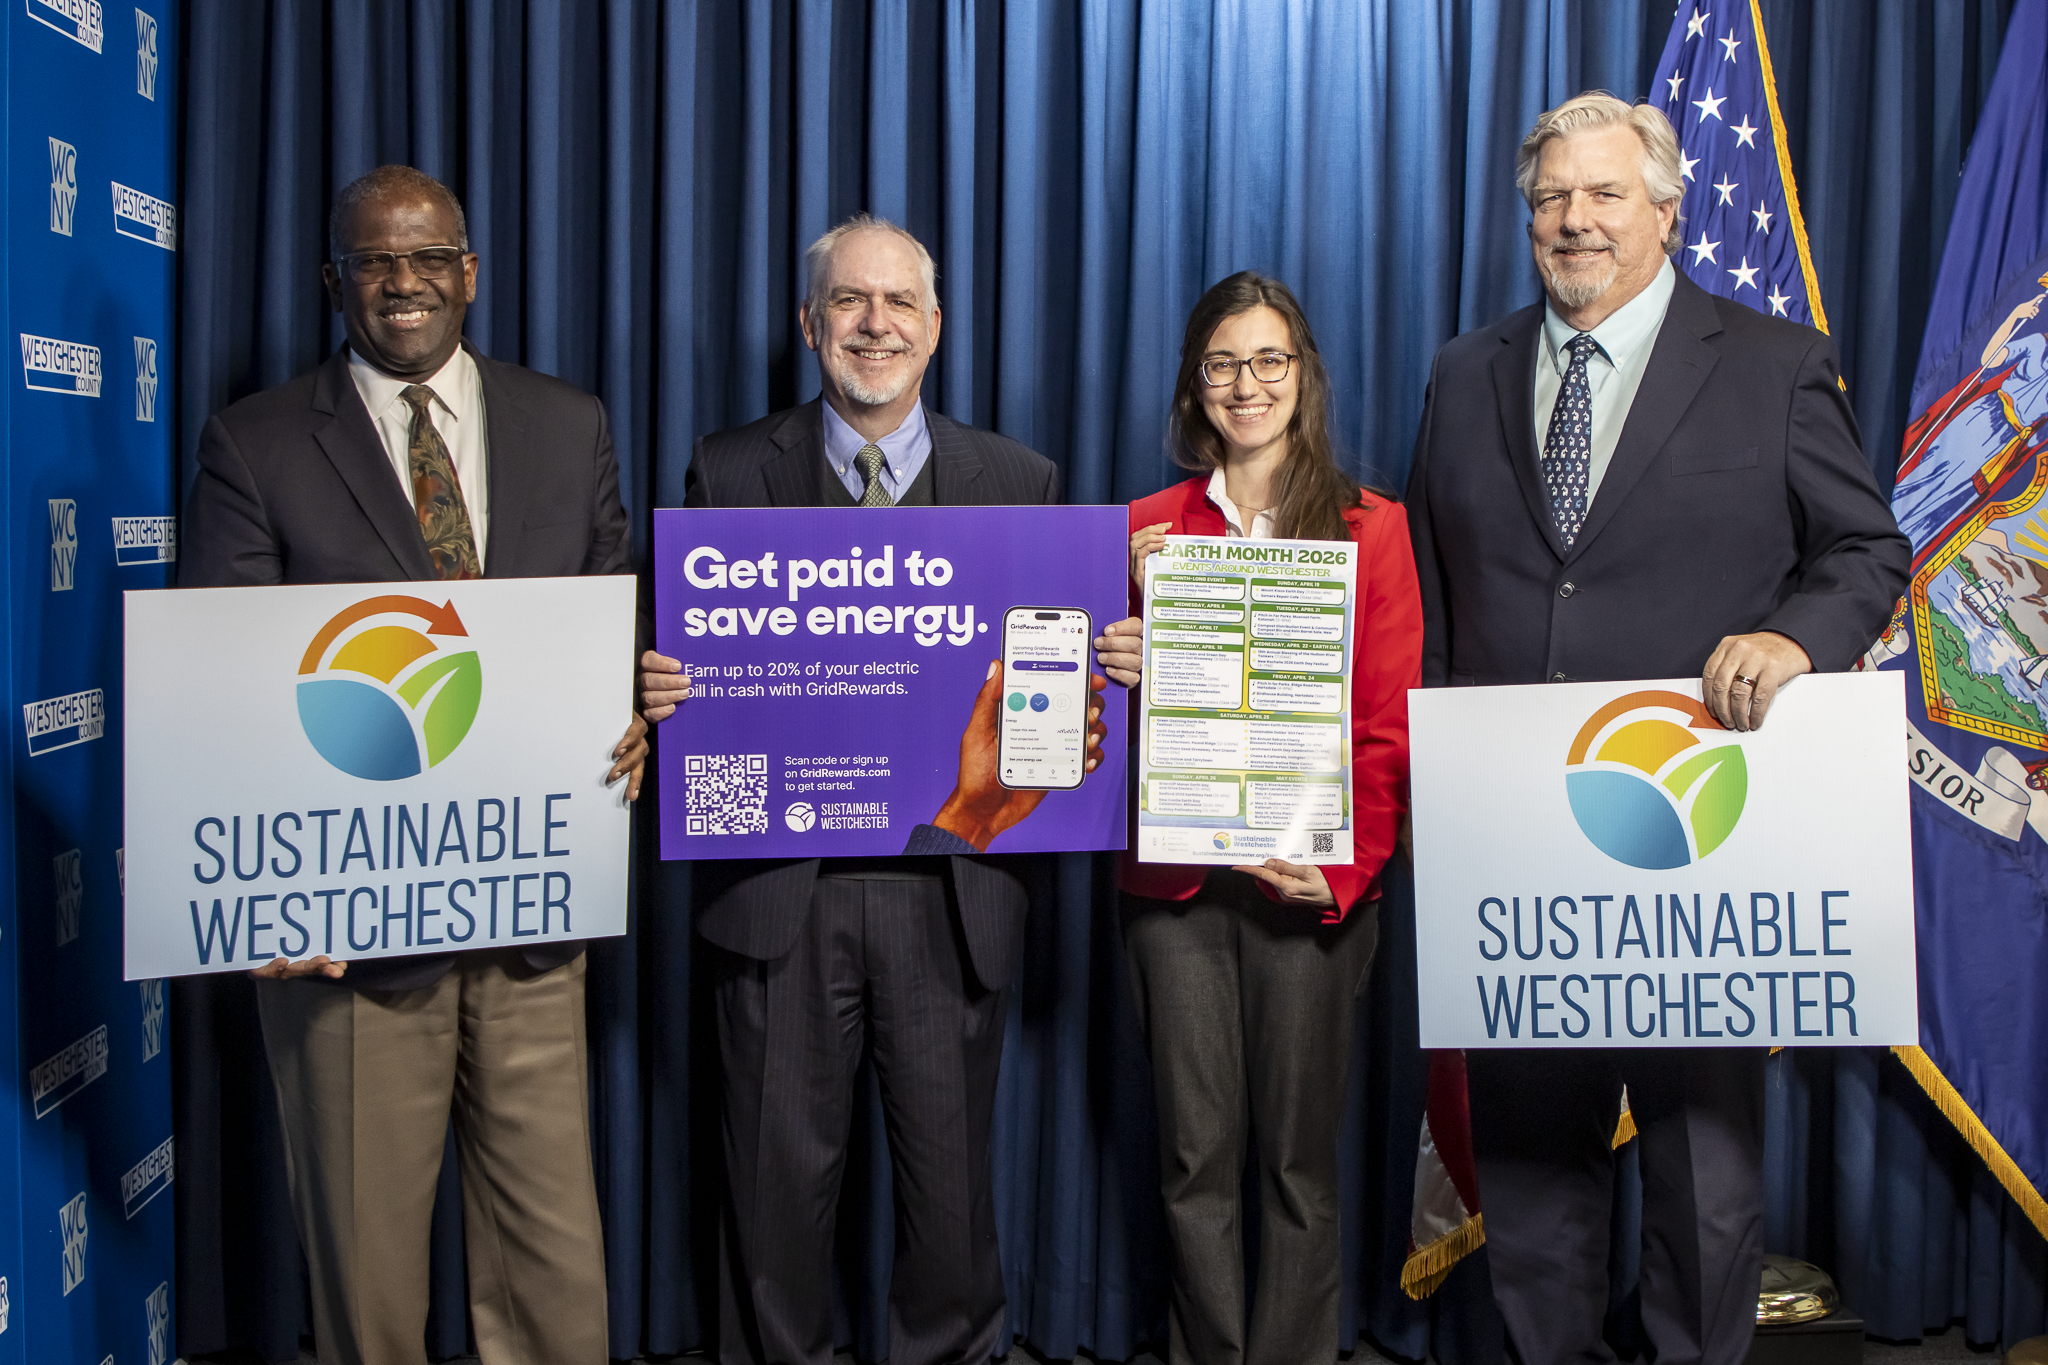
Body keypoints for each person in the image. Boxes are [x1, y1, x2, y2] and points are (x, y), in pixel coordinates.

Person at [1405, 93, 1910, 1364]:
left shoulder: (1769, 361)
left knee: (1700, 1186)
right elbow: (1433, 592)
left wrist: (1796, 638)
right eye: (1548, 199)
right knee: (1530, 1193)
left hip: (1705, 841)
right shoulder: (1463, 371)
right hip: (1518, 851)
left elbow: (1863, 549)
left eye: (1602, 195)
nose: (1572, 221)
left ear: (1666, 209)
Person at [181, 165, 649, 1365]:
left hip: (533, 921)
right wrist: (262, 898)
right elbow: (226, 690)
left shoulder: (568, 421)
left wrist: (634, 723)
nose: (404, 284)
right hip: (346, 939)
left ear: (469, 274)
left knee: (554, 1270)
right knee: (369, 1286)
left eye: (427, 257)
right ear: (337, 280)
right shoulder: (257, 442)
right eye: (376, 261)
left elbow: (606, 634)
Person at [638, 214, 1101, 1365]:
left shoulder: (1021, 481)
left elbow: (1054, 694)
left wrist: (1110, 674)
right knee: (770, 1214)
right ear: (809, 325)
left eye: (898, 303)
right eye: (849, 301)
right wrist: (653, 679)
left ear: (935, 328)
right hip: (778, 893)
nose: (874, 324)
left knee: (949, 1217)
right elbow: (687, 665)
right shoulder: (726, 467)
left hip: (949, 892)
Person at [1093, 271, 1422, 1365]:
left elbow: (1386, 723)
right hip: (1175, 892)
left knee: (1292, 1164)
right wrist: (1120, 655)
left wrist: (1345, 871)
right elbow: (1076, 727)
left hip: (1307, 889)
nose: (1247, 384)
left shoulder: (1372, 530)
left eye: (1268, 360)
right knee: (1193, 1161)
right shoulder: (1140, 532)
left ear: (1302, 375)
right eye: (1222, 362)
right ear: (1196, 383)